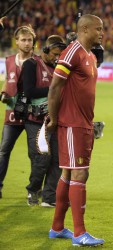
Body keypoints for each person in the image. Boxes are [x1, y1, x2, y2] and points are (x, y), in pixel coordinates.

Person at [47, 14, 105, 246]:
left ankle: (57, 227)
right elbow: (54, 87)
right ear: (84, 29)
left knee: (69, 173)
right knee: (80, 173)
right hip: (71, 123)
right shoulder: (72, 51)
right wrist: (52, 119)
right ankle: (80, 233)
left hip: (83, 123)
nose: (102, 33)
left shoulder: (90, 55)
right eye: (98, 29)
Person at [23, 35, 66, 207]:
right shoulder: (31, 65)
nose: (57, 58)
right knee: (42, 159)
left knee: (57, 160)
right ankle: (33, 190)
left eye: (60, 55)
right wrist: (53, 88)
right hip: (35, 121)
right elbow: (29, 91)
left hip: (55, 121)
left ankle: (49, 198)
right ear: (45, 50)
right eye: (55, 54)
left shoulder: (60, 68)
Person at [0, 25, 35, 198]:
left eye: (29, 40)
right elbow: (8, 80)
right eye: (23, 40)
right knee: (4, 151)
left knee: (34, 154)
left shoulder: (38, 62)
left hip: (32, 113)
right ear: (17, 42)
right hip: (12, 111)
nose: (27, 43)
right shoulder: (8, 60)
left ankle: (33, 191)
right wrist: (3, 93)